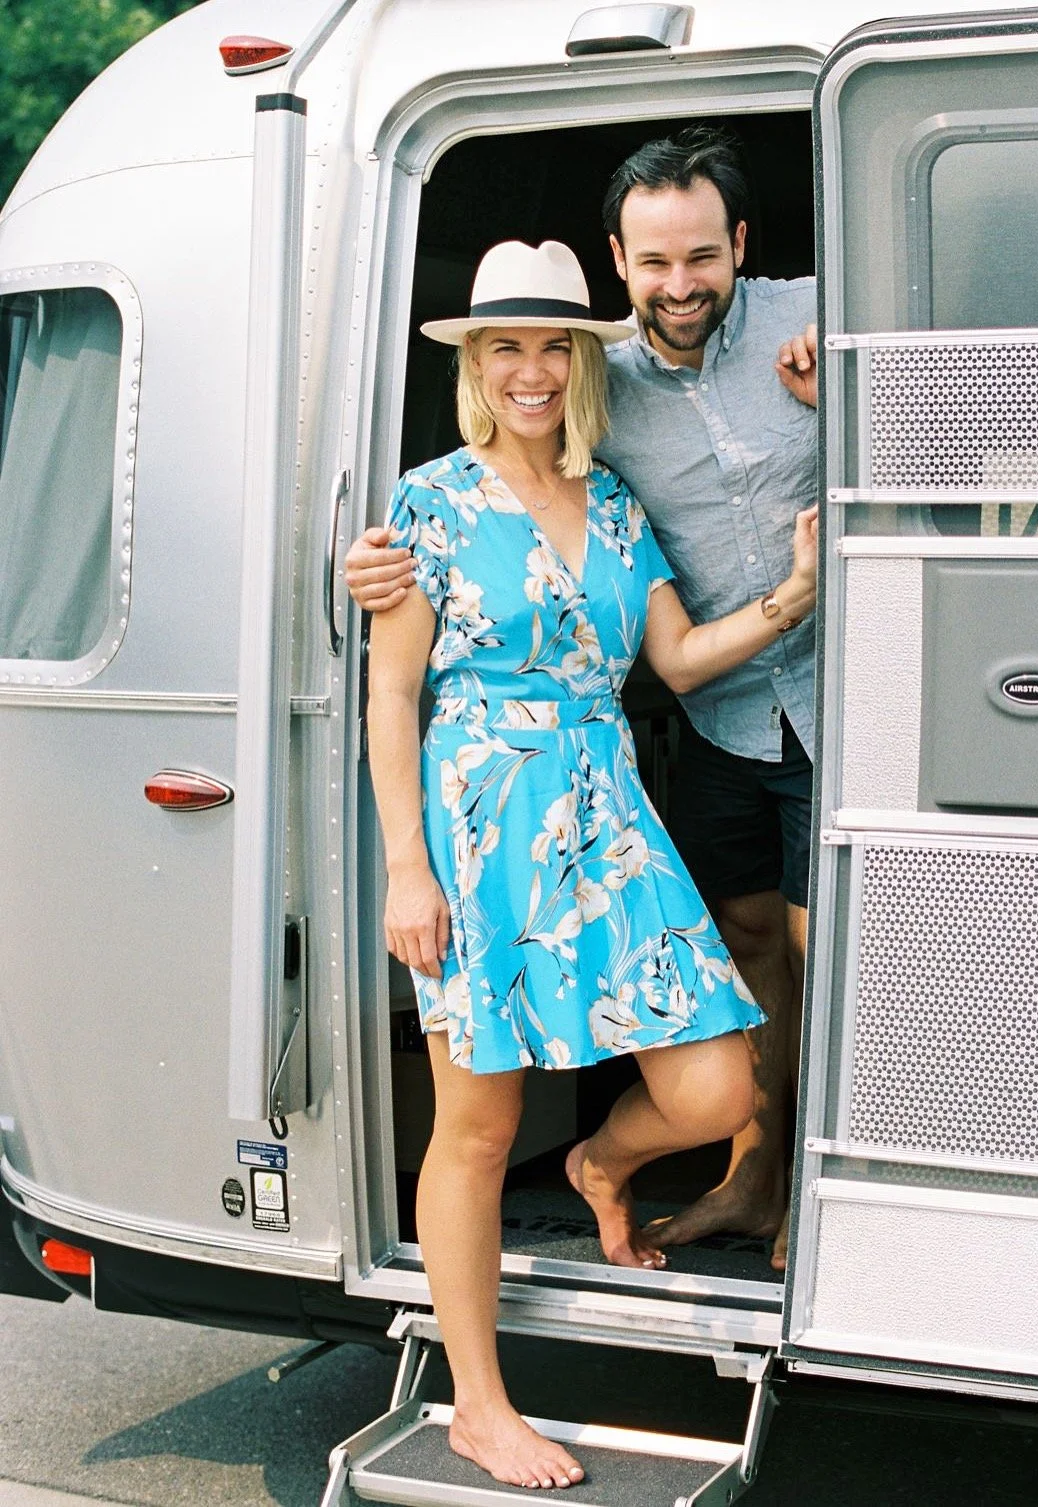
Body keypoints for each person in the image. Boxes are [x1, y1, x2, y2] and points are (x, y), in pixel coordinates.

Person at [368, 237, 816, 1491]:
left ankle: (600, 1162)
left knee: (718, 1091)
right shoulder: (428, 504)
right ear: (471, 364)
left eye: (552, 345)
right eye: (503, 346)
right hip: (482, 830)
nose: (530, 369)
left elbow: (672, 660)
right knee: (475, 1122)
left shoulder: (614, 502)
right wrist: (410, 867)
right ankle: (477, 1404)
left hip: (610, 819)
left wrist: (797, 589)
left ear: (583, 359)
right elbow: (391, 697)